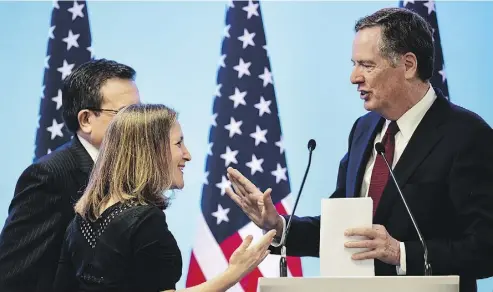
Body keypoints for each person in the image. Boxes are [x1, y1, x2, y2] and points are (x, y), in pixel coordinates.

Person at [225, 7, 493, 292]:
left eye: (367, 65)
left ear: (408, 65)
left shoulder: (466, 135)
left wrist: (400, 253)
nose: (354, 77)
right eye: (354, 64)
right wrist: (279, 226)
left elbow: (486, 248)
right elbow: (343, 231)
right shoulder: (364, 130)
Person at [52, 103, 276, 292]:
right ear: (151, 150)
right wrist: (234, 272)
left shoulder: (80, 220)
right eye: (178, 143)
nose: (187, 155)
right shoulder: (144, 219)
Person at [0, 59, 141, 292]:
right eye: (127, 113)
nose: (140, 123)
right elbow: (13, 273)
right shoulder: (50, 176)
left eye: (140, 111)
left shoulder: (130, 173)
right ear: (86, 120)